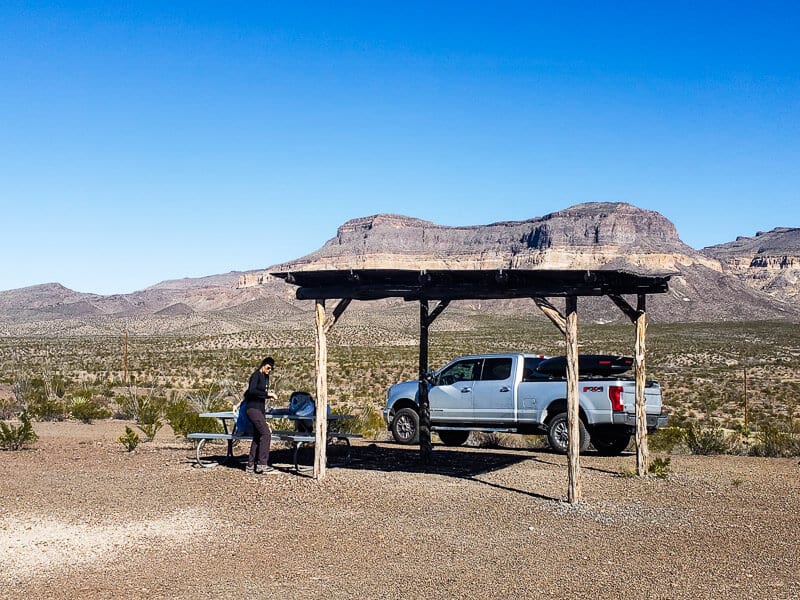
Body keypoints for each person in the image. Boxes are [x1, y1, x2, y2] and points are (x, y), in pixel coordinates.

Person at [243, 356, 279, 475]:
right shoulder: (256, 375)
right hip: (252, 409)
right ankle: (262, 464)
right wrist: (268, 394)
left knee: (258, 436)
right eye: (268, 367)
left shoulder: (265, 377)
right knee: (266, 434)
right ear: (263, 365)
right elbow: (251, 391)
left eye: (271, 369)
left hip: (259, 410)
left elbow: (261, 399)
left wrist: (264, 418)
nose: (269, 370)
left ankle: (250, 464)